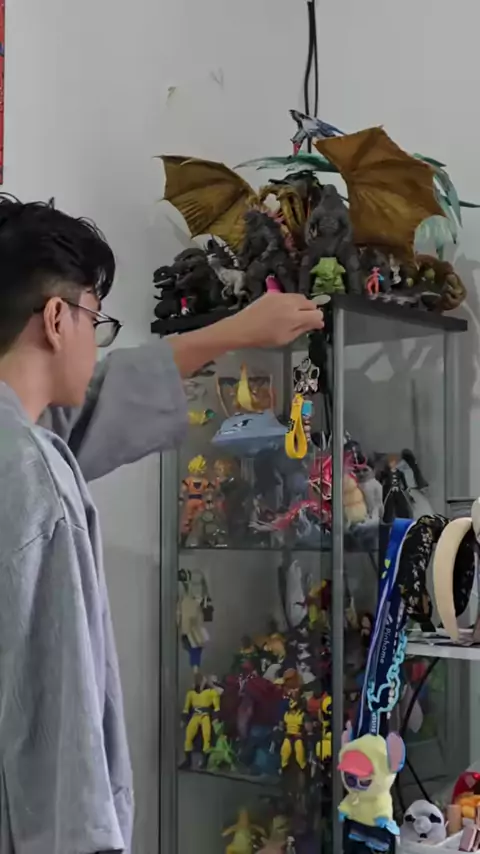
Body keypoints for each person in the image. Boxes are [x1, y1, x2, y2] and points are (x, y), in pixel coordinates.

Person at [0, 197, 323, 854]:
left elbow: (95, 401)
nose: (96, 341)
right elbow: (56, 731)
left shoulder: (23, 444)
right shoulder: (32, 478)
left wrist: (234, 330)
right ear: (57, 320)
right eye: (96, 319)